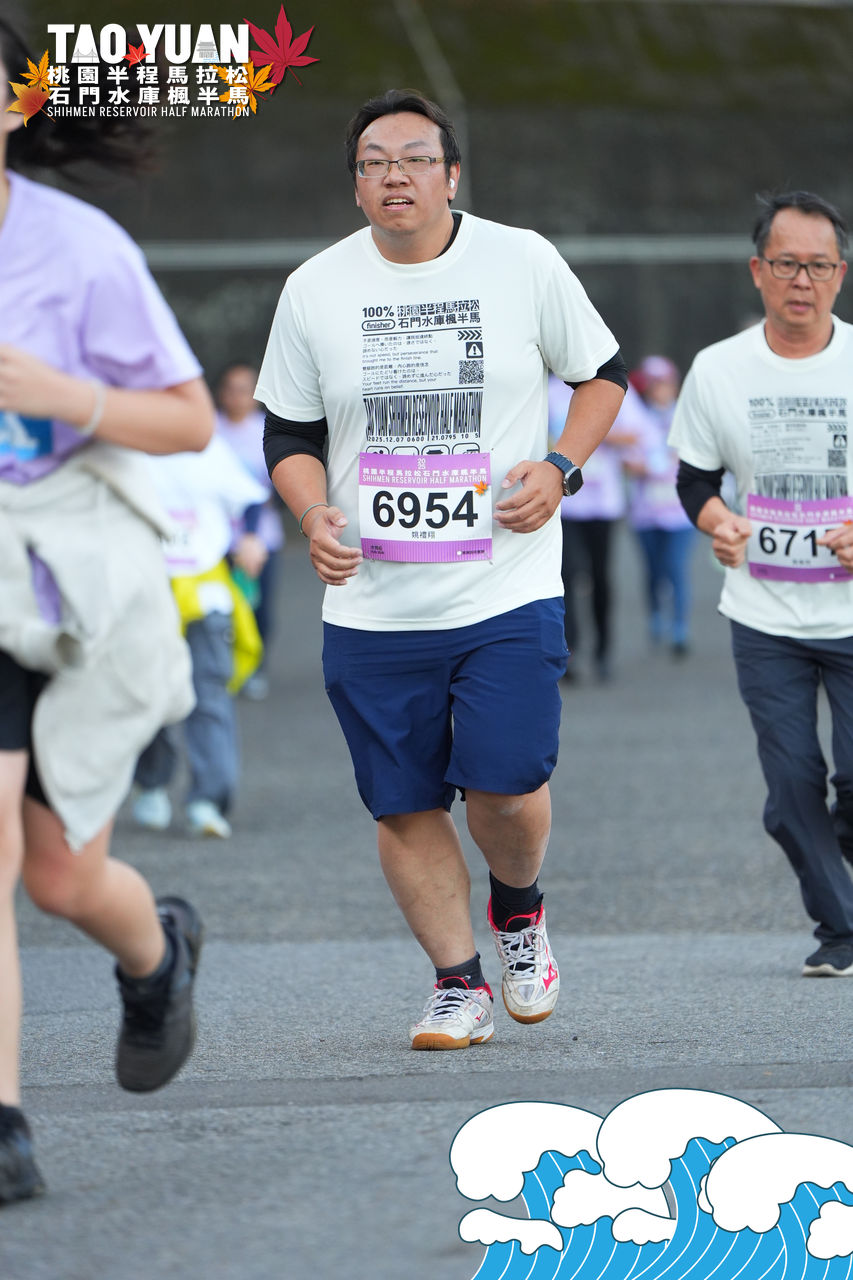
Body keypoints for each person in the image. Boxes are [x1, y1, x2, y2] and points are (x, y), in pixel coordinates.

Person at [256, 88, 626, 1049]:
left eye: (416, 159)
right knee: (404, 801)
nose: (396, 177)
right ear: (355, 185)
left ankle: (519, 910)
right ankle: (457, 985)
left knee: (506, 783)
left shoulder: (521, 260)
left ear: (451, 175)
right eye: (374, 162)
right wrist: (312, 513)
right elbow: (288, 432)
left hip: (504, 585)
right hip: (372, 603)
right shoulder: (314, 288)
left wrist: (559, 467)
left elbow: (601, 375)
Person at [0, 17, 213, 1202]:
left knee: (62, 877)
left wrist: (64, 394)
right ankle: (5, 1124)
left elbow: (186, 418)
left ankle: (157, 952)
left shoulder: (79, 249)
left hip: (73, 577)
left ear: (17, 102)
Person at [670, 189, 853, 976]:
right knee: (791, 778)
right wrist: (718, 521)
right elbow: (693, 480)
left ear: (839, 274)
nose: (800, 281)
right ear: (756, 270)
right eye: (785, 264)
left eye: (817, 265)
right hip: (764, 613)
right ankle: (840, 929)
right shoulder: (718, 368)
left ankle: (816, 836)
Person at [132, 434, 268, 839]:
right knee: (148, 691)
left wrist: (250, 538)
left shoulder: (206, 443)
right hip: (144, 588)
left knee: (208, 692)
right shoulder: (126, 440)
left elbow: (251, 497)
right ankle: (152, 783)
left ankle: (208, 800)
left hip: (205, 586)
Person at [549, 373, 638, 683]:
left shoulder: (610, 385)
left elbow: (635, 435)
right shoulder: (549, 391)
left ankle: (603, 650)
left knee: (600, 577)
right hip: (564, 504)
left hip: (604, 504)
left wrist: (591, 432)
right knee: (567, 576)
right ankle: (569, 651)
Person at [215, 362, 284, 700]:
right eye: (231, 389)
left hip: (261, 541)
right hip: (218, 540)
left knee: (259, 609)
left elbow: (282, 483)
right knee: (219, 608)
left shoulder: (269, 431)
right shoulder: (209, 429)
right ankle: (222, 669)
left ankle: (255, 667)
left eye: (244, 389)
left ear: (255, 395)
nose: (236, 397)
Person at [625, 356, 696, 658]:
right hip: (646, 512)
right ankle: (655, 614)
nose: (659, 390)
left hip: (680, 512)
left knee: (675, 568)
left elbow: (696, 458)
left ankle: (679, 628)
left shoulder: (688, 417)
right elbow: (628, 461)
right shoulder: (636, 418)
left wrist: (660, 465)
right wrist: (651, 466)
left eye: (664, 383)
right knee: (653, 570)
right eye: (654, 384)